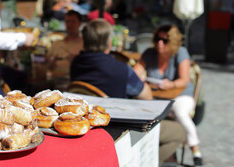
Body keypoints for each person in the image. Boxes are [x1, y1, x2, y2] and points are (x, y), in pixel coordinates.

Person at [70, 19, 186, 165]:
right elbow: (147, 96)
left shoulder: (76, 64)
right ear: (109, 43)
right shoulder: (121, 69)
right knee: (180, 132)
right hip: (120, 130)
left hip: (87, 126)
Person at [134, 24, 203, 166]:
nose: (160, 43)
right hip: (157, 97)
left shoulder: (180, 52)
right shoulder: (150, 53)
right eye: (158, 39)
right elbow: (135, 72)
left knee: (179, 112)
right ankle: (164, 157)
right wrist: (138, 78)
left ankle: (195, 151)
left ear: (172, 42)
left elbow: (184, 80)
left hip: (181, 95)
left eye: (164, 41)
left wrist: (170, 84)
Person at [46, 10, 83, 77]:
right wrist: (49, 63)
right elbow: (46, 63)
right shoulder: (56, 43)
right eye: (67, 21)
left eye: (73, 21)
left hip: (74, 81)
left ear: (80, 23)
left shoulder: (84, 44)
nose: (70, 24)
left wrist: (77, 61)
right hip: (53, 81)